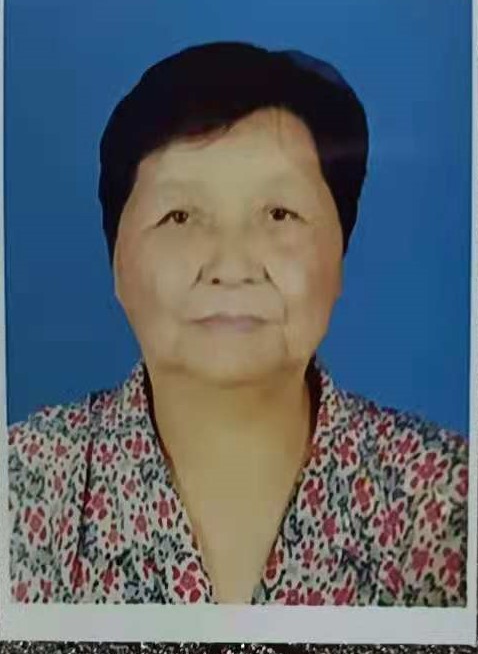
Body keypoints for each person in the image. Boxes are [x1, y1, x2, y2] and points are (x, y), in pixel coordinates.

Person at [8, 42, 468, 606]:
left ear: (340, 255)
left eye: (279, 213)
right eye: (180, 216)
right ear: (117, 264)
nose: (231, 265)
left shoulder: (450, 501)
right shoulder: (20, 488)